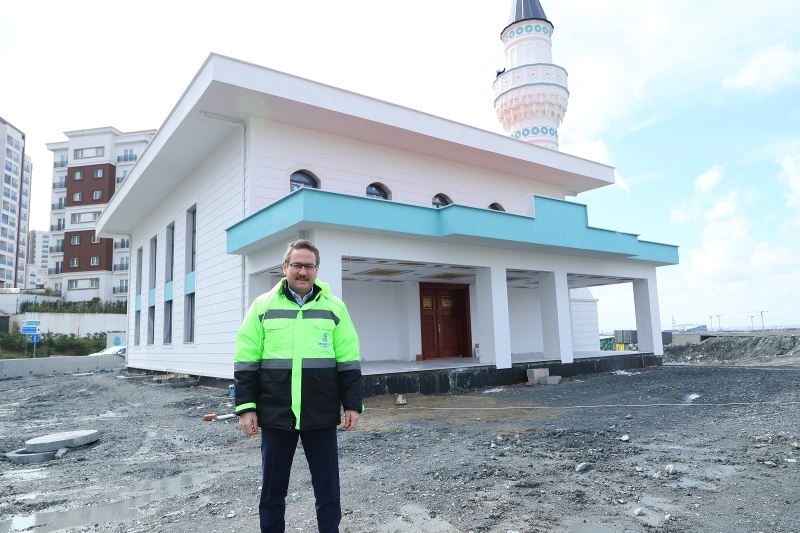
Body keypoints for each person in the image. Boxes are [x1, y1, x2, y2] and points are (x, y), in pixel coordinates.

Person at [233, 239, 363, 533]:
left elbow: (348, 361)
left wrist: (352, 404)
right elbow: (246, 360)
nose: (303, 271)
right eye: (297, 265)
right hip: (276, 414)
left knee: (328, 490)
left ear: (317, 269)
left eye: (309, 266)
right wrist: (246, 407)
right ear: (284, 267)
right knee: (272, 491)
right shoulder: (263, 306)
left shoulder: (335, 308)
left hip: (321, 414)